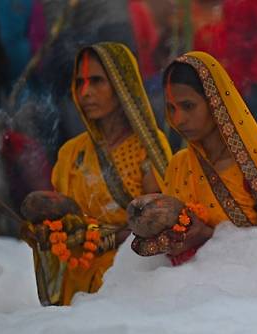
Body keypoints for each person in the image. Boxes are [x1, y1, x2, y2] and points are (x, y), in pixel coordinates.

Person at [27, 42, 173, 305]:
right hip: (76, 278)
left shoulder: (147, 146)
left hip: (128, 279)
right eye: (79, 82)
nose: (85, 92)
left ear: (121, 86)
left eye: (96, 81)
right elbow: (60, 220)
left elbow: (158, 224)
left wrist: (105, 239)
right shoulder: (71, 152)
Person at [158, 51, 257, 260]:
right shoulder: (179, 164)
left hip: (246, 285)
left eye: (188, 106)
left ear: (215, 102)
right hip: (183, 285)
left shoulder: (250, 165)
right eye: (171, 108)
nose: (179, 119)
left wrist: (206, 236)